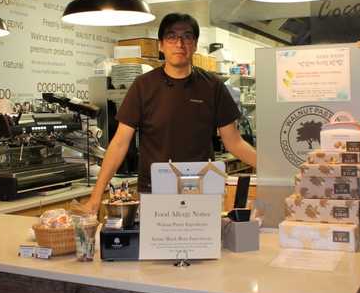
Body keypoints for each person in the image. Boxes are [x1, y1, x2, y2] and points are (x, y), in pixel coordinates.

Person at [84, 13, 257, 212]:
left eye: (187, 36)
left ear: (195, 43)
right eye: (172, 37)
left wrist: (273, 171)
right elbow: (120, 143)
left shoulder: (213, 86)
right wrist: (96, 196)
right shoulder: (143, 86)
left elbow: (233, 141)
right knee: (157, 242)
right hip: (154, 190)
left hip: (200, 188)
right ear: (161, 45)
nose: (180, 44)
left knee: (203, 243)